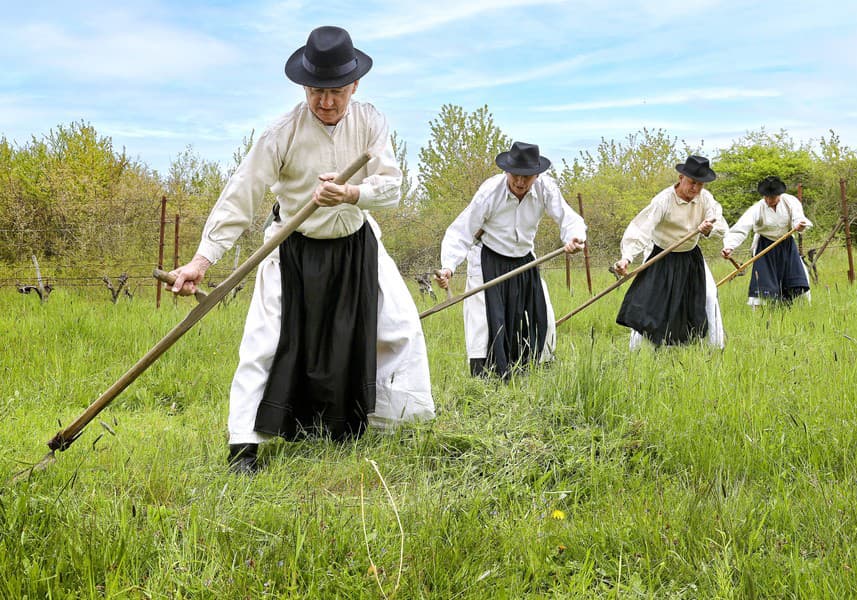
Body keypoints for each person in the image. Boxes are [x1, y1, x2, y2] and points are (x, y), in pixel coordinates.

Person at [168, 26, 434, 473]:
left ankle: (395, 426)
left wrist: (351, 194)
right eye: (316, 91)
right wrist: (201, 260)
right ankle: (243, 447)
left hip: (356, 243)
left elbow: (391, 188)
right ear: (303, 86)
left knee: (399, 327)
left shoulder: (371, 122)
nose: (326, 102)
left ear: (353, 85)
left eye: (335, 91)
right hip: (293, 245)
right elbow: (242, 194)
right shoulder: (280, 133)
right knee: (264, 341)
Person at [435, 142, 586, 380]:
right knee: (484, 322)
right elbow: (461, 231)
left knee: (541, 313)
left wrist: (574, 239)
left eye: (527, 177)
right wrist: (448, 267)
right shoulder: (489, 192)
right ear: (507, 171)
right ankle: (485, 378)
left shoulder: (546, 189)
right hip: (489, 258)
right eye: (515, 175)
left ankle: (535, 370)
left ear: (536, 175)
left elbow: (568, 218)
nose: (520, 182)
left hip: (524, 259)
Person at [613, 155, 728, 349]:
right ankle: (636, 353)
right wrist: (627, 257)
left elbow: (718, 220)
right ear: (681, 177)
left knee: (708, 295)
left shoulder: (704, 198)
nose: (696, 189)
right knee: (649, 302)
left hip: (691, 255)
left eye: (701, 185)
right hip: (662, 254)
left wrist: (710, 228)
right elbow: (641, 229)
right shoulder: (663, 200)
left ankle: (716, 348)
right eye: (692, 183)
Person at [721, 175, 812, 306]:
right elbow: (742, 227)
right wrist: (729, 246)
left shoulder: (790, 202)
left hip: (787, 245)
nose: (769, 200)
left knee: (797, 279)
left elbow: (798, 218)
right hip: (765, 247)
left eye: (773, 197)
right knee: (764, 282)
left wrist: (800, 225)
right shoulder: (758, 208)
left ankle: (793, 309)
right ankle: (760, 314)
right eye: (766, 197)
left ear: (780, 194)